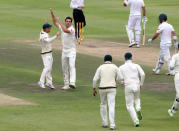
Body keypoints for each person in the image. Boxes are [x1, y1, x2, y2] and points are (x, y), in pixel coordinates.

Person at [50, 8, 77, 90]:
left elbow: (65, 30)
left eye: (69, 21)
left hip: (71, 50)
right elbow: (55, 22)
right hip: (64, 51)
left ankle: (72, 82)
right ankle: (66, 84)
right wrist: (52, 13)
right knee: (64, 68)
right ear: (65, 22)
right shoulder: (62, 27)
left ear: (71, 23)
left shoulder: (72, 29)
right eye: (67, 21)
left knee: (71, 66)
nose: (68, 22)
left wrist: (60, 22)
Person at [93, 55, 120, 130]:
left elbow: (95, 79)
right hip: (112, 88)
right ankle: (112, 124)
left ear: (104, 60)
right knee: (111, 105)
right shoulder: (114, 66)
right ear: (111, 60)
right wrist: (116, 80)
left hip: (102, 88)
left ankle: (105, 123)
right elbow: (120, 77)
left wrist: (94, 88)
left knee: (103, 104)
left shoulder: (100, 67)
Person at [118, 52, 145, 127]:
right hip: (136, 85)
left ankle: (136, 120)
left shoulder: (121, 67)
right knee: (137, 99)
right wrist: (141, 84)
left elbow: (118, 77)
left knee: (129, 105)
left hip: (128, 86)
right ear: (131, 58)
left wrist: (121, 82)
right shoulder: (136, 65)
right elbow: (143, 74)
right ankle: (138, 108)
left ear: (125, 58)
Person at [38, 23, 60, 89]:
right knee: (47, 68)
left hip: (49, 53)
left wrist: (46, 23)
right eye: (49, 28)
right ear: (46, 29)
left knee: (49, 69)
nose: (50, 29)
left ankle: (49, 83)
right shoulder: (43, 35)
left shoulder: (42, 32)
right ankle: (41, 82)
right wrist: (56, 35)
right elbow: (48, 40)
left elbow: (43, 29)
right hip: (46, 54)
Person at [168, 44, 179, 117]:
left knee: (178, 95)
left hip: (178, 76)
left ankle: (173, 110)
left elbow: (171, 67)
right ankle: (173, 110)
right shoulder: (175, 56)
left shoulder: (175, 56)